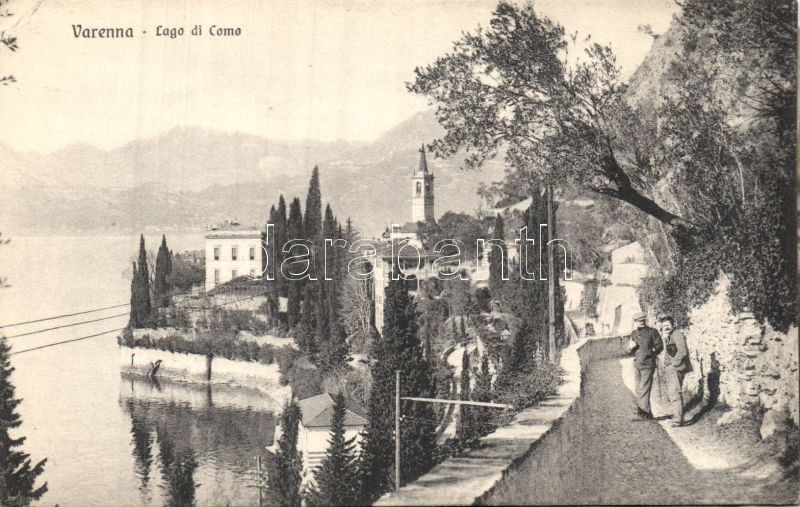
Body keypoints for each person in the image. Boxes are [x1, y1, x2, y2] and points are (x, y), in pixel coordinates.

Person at [628, 312, 663, 420]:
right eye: (638, 321)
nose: (640, 323)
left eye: (642, 321)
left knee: (643, 388)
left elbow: (659, 346)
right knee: (638, 388)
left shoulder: (652, 332)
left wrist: (650, 353)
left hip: (648, 364)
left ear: (644, 321)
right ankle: (644, 411)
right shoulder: (633, 333)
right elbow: (630, 348)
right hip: (637, 364)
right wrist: (630, 347)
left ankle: (644, 414)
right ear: (636, 322)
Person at [660, 314, 693, 427]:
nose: (666, 327)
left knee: (675, 394)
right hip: (671, 369)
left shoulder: (677, 334)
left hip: (675, 368)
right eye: (664, 326)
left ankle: (677, 420)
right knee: (672, 393)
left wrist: (674, 364)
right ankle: (677, 417)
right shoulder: (669, 335)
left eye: (668, 325)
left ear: (673, 324)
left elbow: (683, 351)